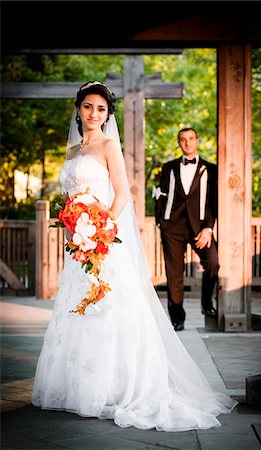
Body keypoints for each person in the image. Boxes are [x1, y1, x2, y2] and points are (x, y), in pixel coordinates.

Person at [32, 81, 237, 431]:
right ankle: (76, 386)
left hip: (104, 239)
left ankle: (116, 386)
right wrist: (71, 226)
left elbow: (124, 193)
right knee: (78, 305)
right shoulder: (70, 153)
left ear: (107, 114)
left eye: (101, 109)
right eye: (88, 107)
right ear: (78, 109)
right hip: (78, 246)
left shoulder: (110, 146)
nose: (94, 114)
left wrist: (101, 229)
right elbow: (70, 199)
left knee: (110, 307)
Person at [154, 128, 218, 331]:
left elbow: (214, 201)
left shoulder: (211, 168)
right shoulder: (168, 167)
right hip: (172, 227)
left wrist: (208, 228)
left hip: (200, 227)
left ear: (197, 141)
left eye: (191, 139)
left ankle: (207, 303)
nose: (187, 142)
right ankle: (177, 318)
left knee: (213, 262)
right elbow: (160, 195)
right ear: (179, 143)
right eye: (183, 140)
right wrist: (160, 222)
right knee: (174, 273)